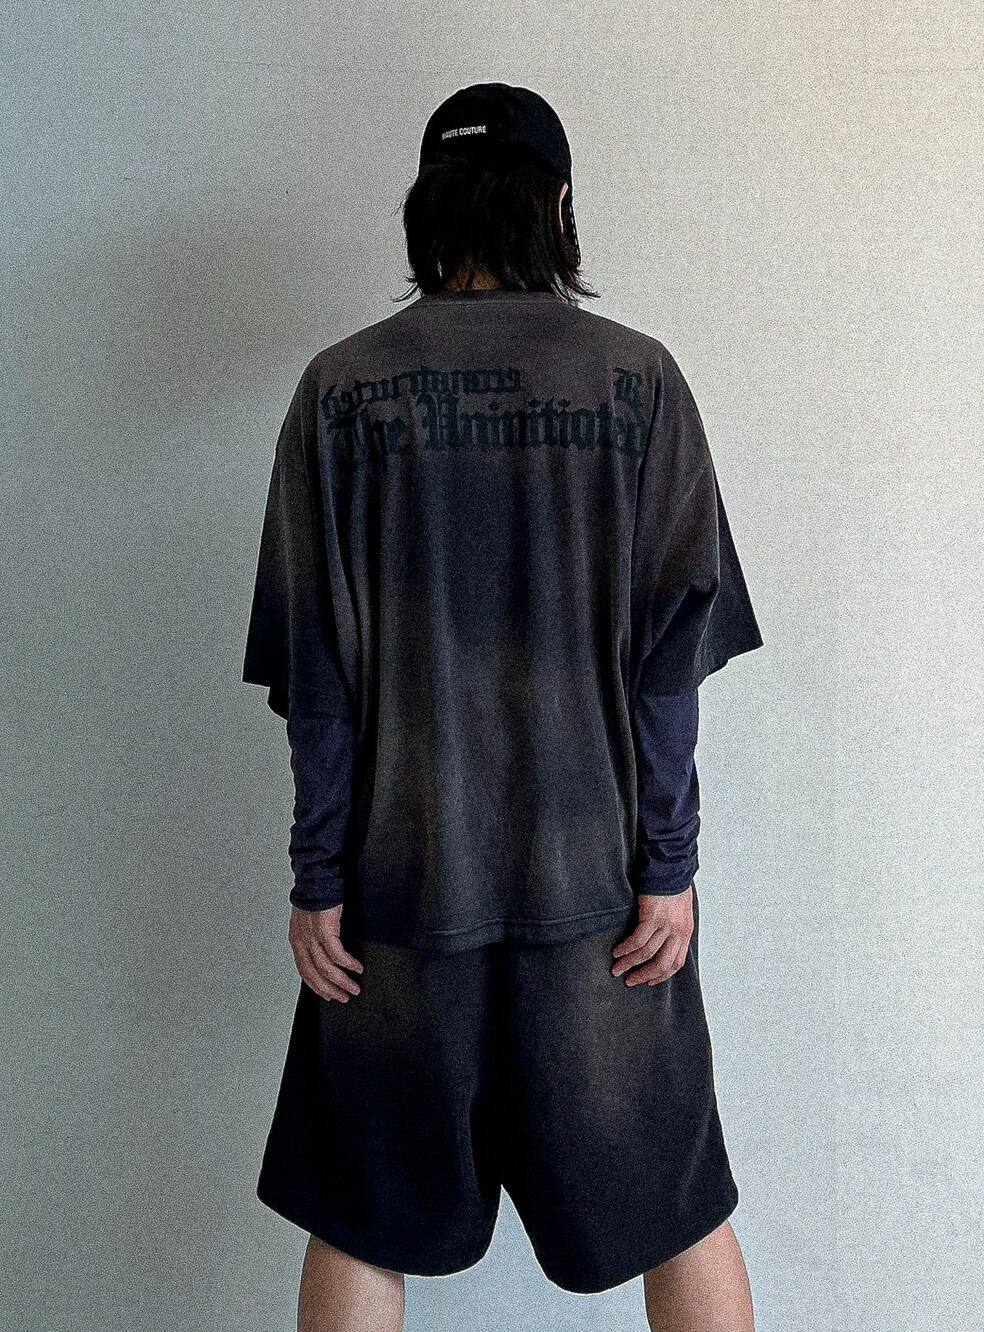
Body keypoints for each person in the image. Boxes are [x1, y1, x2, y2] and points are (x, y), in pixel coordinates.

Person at [242, 82, 763, 1332]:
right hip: (601, 902)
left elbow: (319, 675)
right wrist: (667, 864)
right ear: (558, 203)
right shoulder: (637, 381)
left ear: (426, 207)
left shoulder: (338, 390)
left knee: (363, 1216)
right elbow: (666, 667)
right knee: (677, 1208)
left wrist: (318, 876)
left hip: (398, 895)